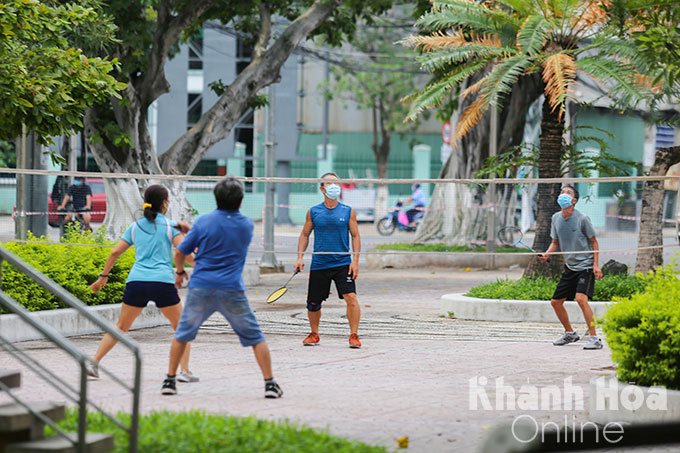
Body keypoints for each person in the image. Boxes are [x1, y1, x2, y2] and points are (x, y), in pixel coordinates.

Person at [162, 176, 283, 398]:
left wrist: (179, 272)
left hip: (201, 287)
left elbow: (181, 252)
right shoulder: (246, 225)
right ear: (240, 201)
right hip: (231, 289)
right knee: (256, 337)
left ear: (216, 198)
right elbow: (222, 236)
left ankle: (169, 381)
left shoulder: (203, 222)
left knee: (182, 334)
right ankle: (270, 384)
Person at [88, 184, 199, 382]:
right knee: (182, 327)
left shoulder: (135, 226)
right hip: (162, 283)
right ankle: (184, 371)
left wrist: (102, 277)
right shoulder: (170, 226)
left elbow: (115, 252)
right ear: (165, 203)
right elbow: (186, 255)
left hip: (136, 282)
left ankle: (94, 362)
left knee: (121, 326)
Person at [295, 172, 362, 348]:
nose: (334, 186)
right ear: (322, 189)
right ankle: (314, 334)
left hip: (342, 264)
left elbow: (355, 236)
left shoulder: (348, 211)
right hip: (320, 263)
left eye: (336, 183)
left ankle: (354, 335)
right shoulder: (313, 211)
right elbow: (304, 234)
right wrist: (300, 257)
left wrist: (355, 261)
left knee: (351, 297)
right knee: (313, 303)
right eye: (330, 184)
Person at [539, 184, 603, 350]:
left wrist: (596, 265)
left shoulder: (582, 218)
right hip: (570, 266)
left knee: (581, 299)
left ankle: (595, 338)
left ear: (574, 200)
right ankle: (570, 333)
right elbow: (555, 243)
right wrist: (547, 254)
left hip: (586, 266)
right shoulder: (555, 218)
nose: (563, 195)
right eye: (562, 192)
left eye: (568, 193)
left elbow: (594, 241)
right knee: (555, 302)